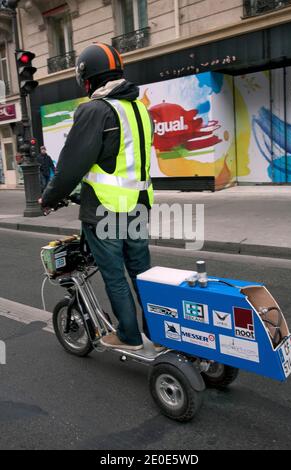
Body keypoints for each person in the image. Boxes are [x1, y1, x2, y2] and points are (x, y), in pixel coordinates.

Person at [39, 43, 161, 352]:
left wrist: (49, 198)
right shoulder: (138, 109)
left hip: (106, 211)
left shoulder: (95, 110)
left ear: (88, 78)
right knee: (141, 274)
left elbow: (70, 166)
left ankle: (130, 336)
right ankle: (157, 330)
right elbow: (121, 161)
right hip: (138, 207)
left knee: (114, 275)